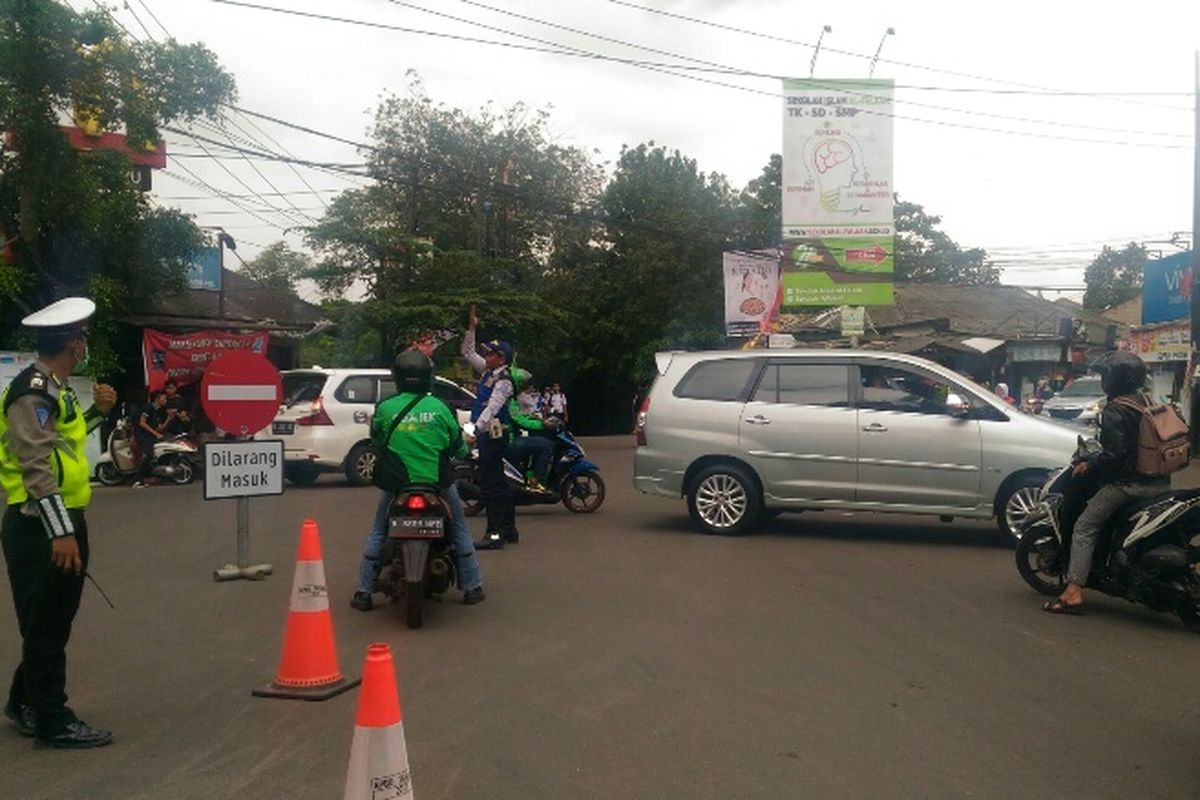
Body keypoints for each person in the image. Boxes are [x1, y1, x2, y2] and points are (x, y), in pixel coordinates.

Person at [0, 297, 116, 748]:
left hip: (57, 517)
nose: (85, 343)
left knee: (49, 622)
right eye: (83, 336)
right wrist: (60, 530)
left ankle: (24, 700)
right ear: (72, 342)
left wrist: (96, 415)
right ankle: (53, 719)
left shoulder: (54, 387)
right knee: (47, 624)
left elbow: (61, 445)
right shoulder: (33, 390)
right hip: (40, 523)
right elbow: (36, 465)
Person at [350, 350, 484, 610]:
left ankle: (363, 593)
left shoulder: (385, 408)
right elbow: (458, 447)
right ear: (428, 378)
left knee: (379, 530)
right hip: (438, 484)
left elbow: (377, 441)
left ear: (397, 378)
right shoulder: (441, 408)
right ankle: (471, 587)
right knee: (459, 530)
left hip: (398, 485)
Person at [1043, 351, 1165, 615]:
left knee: (1085, 526)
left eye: (1106, 375)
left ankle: (1073, 592)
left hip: (1129, 485)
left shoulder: (1116, 409)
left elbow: (1115, 454)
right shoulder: (1146, 401)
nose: (1103, 380)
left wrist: (1089, 464)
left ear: (1119, 378)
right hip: (1159, 482)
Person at [460, 305, 518, 550]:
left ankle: (495, 534)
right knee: (500, 483)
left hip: (493, 435)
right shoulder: (489, 371)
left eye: (490, 353)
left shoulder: (503, 380)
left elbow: (492, 408)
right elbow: (467, 351)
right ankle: (509, 529)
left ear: (501, 358)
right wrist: (472, 327)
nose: (486, 356)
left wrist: (473, 430)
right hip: (490, 434)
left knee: (491, 485)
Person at [506, 368, 558, 494]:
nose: (524, 387)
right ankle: (535, 481)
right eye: (522, 384)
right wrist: (542, 425)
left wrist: (537, 419)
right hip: (510, 440)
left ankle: (528, 474)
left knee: (537, 442)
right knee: (546, 445)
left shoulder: (509, 398)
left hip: (509, 437)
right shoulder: (508, 400)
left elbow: (521, 417)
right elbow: (519, 421)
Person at [132, 390, 168, 488]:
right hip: (142, 436)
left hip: (150, 436)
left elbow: (160, 428)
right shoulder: (148, 407)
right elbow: (142, 423)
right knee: (149, 455)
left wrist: (169, 418)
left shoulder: (158, 411)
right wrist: (156, 434)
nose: (166, 400)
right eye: (164, 398)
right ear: (157, 398)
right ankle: (137, 480)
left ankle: (148, 476)